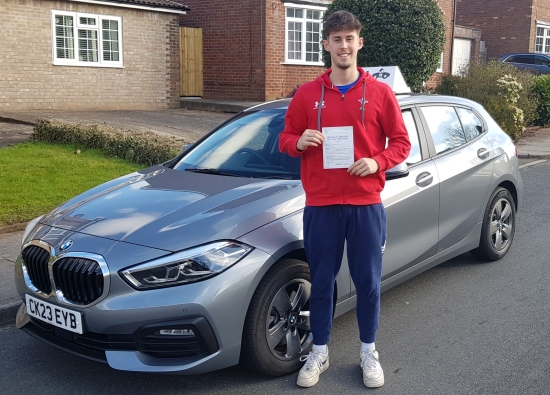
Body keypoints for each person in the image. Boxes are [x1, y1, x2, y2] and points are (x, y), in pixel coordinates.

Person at [278, 10, 411, 389]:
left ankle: (369, 351)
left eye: (350, 38)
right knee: (321, 283)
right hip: (321, 205)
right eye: (337, 39)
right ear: (326, 45)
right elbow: (285, 139)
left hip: (365, 203)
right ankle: (319, 351)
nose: (344, 45)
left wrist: (376, 161)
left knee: (368, 282)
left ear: (360, 43)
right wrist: (299, 141)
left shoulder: (380, 93)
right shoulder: (307, 94)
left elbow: (401, 143)